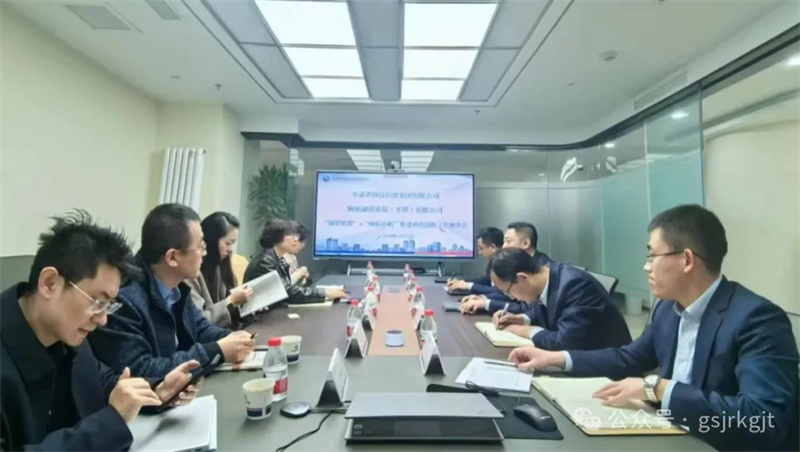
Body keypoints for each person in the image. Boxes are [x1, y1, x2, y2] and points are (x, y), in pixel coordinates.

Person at [507, 205, 799, 452]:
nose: (646, 267)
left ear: (687, 260)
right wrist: (556, 358)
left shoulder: (756, 319)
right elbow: (629, 358)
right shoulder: (667, 309)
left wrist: (657, 388)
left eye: (652, 256)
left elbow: (763, 421)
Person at [0, 211, 201, 451]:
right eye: (97, 302)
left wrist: (157, 390)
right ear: (49, 283)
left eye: (109, 306)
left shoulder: (67, 335)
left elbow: (102, 382)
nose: (103, 319)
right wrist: (111, 422)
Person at [89, 204, 255, 378]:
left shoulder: (176, 287)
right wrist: (216, 351)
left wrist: (233, 338)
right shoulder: (125, 298)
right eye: (200, 246)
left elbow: (200, 329)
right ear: (173, 257)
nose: (204, 253)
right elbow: (141, 371)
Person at [483, 248, 631, 349]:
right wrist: (522, 319)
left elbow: (564, 342)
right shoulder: (546, 276)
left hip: (606, 368)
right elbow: (550, 310)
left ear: (522, 278)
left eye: (508, 291)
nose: (512, 297)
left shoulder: (575, 285)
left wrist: (521, 330)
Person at [244, 218, 347, 304]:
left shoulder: (276, 258)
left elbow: (289, 288)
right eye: (292, 235)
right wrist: (325, 293)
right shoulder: (265, 261)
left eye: (296, 236)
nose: (296, 240)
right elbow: (287, 292)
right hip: (259, 318)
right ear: (277, 236)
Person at [459, 221, 552, 314]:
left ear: (525, 243)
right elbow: (505, 293)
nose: (503, 246)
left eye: (508, 241)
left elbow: (529, 308)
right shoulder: (516, 265)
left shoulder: (544, 268)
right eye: (504, 242)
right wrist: (483, 298)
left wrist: (487, 303)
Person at [185, 212, 253, 327]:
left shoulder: (220, 265)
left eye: (232, 244)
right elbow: (197, 323)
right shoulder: (189, 272)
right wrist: (230, 301)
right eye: (227, 243)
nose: (230, 249)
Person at [447, 227, 506, 295]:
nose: (479, 252)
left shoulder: (505, 264)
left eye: (481, 248)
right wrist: (462, 283)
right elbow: (486, 280)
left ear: (493, 247)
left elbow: (500, 292)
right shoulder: (493, 262)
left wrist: (469, 286)